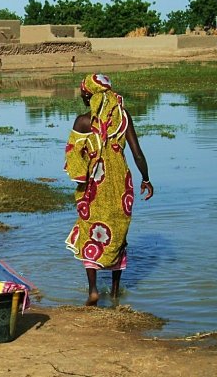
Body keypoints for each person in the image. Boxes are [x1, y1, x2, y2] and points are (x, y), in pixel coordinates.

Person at [64, 74, 154, 306]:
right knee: (118, 233)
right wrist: (146, 179)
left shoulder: (83, 122)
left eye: (84, 94)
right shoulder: (123, 118)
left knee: (90, 231)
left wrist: (81, 180)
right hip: (120, 184)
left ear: (89, 96)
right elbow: (137, 153)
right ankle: (114, 293)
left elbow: (74, 157)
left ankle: (93, 290)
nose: (83, 98)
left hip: (94, 185)